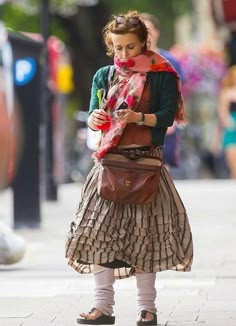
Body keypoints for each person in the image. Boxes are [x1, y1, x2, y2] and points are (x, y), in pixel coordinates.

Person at [65, 10, 193, 326]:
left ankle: (147, 309)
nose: (123, 54)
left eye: (130, 47)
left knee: (145, 237)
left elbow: (167, 117)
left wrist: (138, 118)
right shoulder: (103, 75)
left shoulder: (162, 74)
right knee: (97, 235)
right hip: (109, 163)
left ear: (143, 43)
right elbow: (96, 112)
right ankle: (102, 307)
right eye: (117, 47)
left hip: (146, 165)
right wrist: (96, 117)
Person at [141, 12, 185, 169]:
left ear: (157, 32)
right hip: (139, 119)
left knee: (161, 166)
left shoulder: (170, 60)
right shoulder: (131, 61)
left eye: (149, 30)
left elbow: (178, 92)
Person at [218, 65, 236, 179]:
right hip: (232, 125)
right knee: (231, 154)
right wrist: (228, 121)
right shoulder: (226, 92)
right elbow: (222, 111)